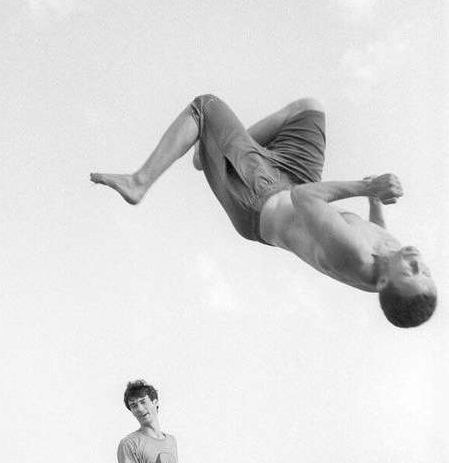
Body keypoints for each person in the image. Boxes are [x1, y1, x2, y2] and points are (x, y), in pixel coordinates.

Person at [90, 94, 436, 327]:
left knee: (205, 106)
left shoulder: (354, 255)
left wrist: (366, 188)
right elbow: (378, 232)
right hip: (292, 179)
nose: (417, 262)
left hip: (261, 199)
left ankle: (140, 181)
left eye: (412, 272)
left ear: (385, 281)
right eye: (425, 271)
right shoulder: (392, 260)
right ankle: (209, 149)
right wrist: (375, 203)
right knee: (308, 108)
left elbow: (305, 198)